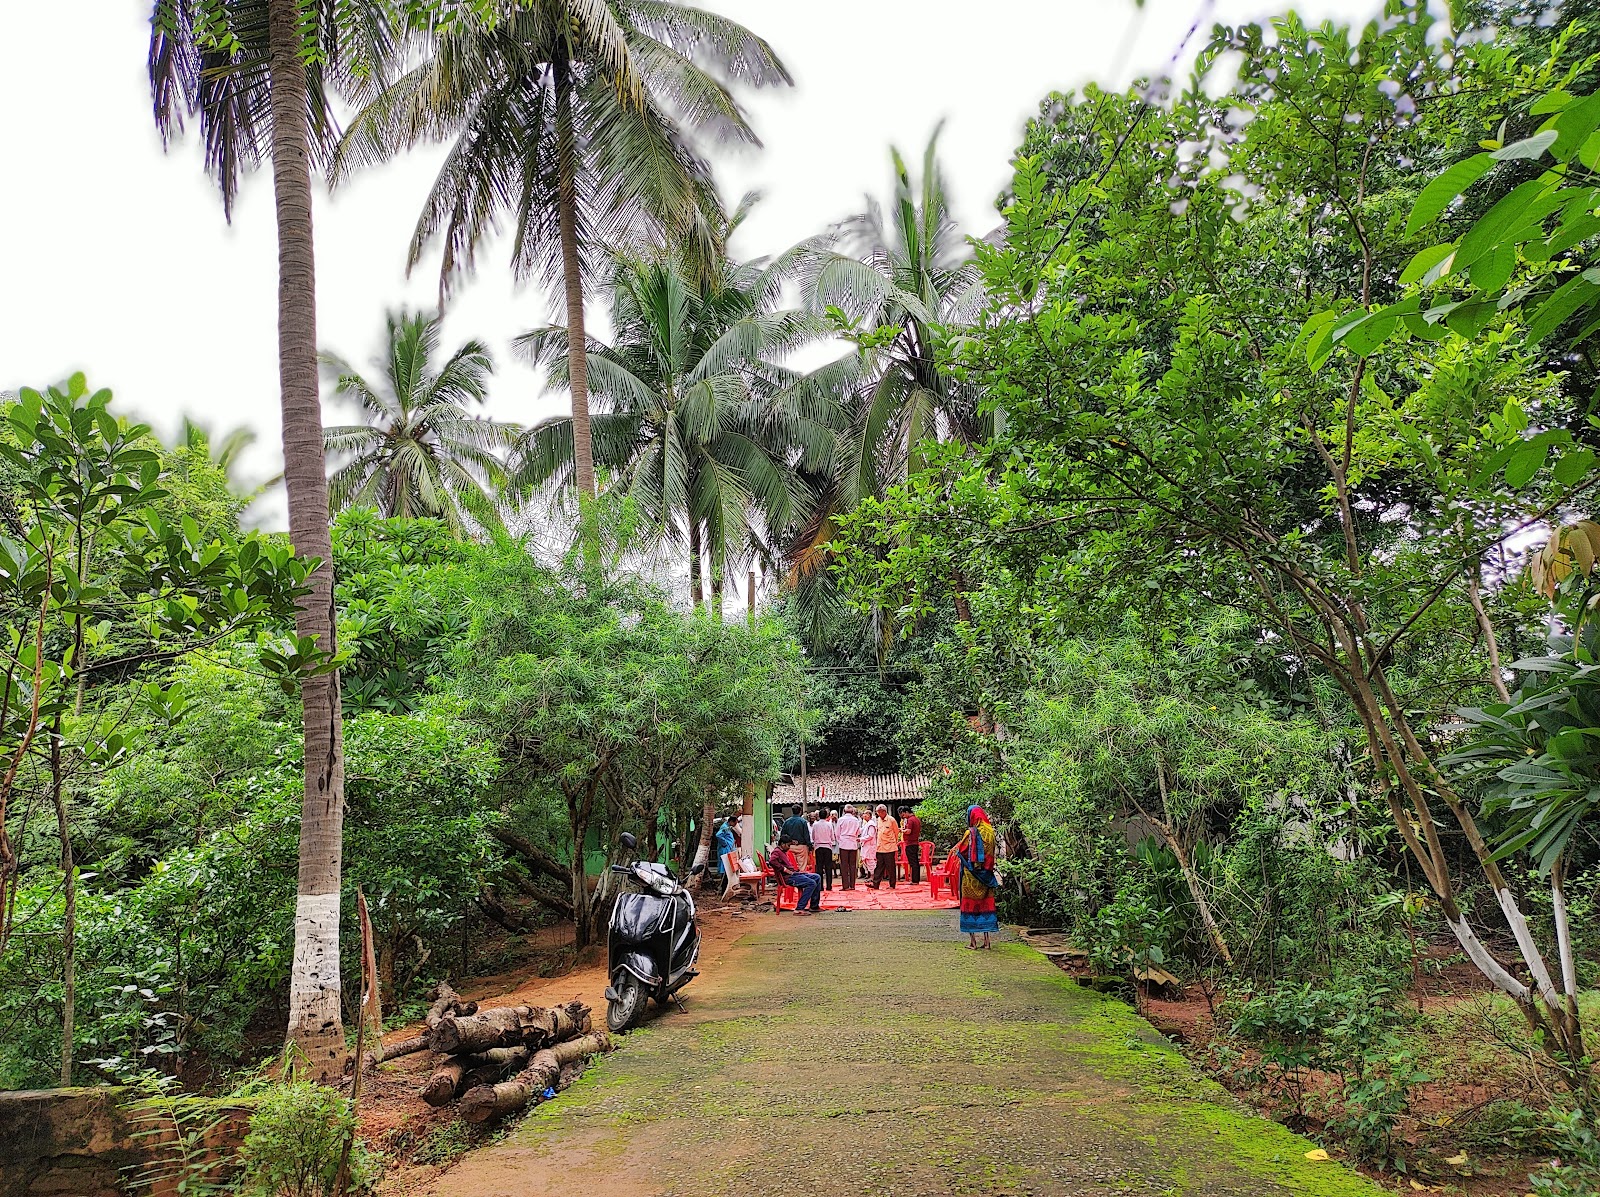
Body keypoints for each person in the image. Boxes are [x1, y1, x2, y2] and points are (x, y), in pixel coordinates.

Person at [955, 805, 1000, 949]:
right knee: (985, 905)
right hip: (986, 876)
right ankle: (987, 942)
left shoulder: (971, 833)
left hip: (971, 876)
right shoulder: (990, 832)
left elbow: (962, 851)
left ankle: (973, 942)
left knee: (970, 906)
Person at [768, 836, 821, 914]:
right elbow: (772, 861)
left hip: (794, 874)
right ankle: (799, 908)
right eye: (788, 845)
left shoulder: (782, 852)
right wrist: (784, 869)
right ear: (782, 844)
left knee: (817, 877)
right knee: (811, 883)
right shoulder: (777, 852)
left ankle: (814, 906)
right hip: (788, 878)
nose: (789, 848)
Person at [868, 804, 901, 890]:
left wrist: (892, 842)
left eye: (879, 812)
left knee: (890, 867)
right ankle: (875, 884)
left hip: (889, 847)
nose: (878, 814)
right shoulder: (878, 820)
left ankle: (892, 885)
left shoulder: (891, 820)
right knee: (879, 867)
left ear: (884, 812)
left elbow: (896, 833)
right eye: (877, 812)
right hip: (880, 847)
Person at [811, 808, 838, 890]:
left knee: (819, 867)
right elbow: (832, 837)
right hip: (827, 847)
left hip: (818, 847)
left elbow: (813, 837)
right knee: (828, 867)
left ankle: (820, 886)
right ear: (826, 815)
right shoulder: (829, 824)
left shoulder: (815, 825)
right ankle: (829, 886)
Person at [836, 805, 862, 890]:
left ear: (844, 810)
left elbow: (837, 833)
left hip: (843, 843)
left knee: (844, 865)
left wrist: (841, 840)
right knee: (852, 865)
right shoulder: (856, 820)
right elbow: (858, 832)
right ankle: (852, 885)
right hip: (853, 843)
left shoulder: (841, 820)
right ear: (852, 811)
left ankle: (845, 886)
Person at [779, 804, 812, 871]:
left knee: (791, 865)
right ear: (800, 811)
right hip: (801, 846)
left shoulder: (787, 822)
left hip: (790, 847)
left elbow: (782, 835)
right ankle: (802, 879)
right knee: (802, 866)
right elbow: (806, 835)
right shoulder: (803, 822)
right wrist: (809, 846)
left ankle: (793, 878)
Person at [900, 806, 923, 885]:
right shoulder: (916, 819)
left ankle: (914, 880)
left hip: (910, 843)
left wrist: (902, 831)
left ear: (906, 812)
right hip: (915, 843)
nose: (903, 816)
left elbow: (909, 831)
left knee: (913, 863)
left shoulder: (910, 820)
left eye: (903, 814)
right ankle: (916, 879)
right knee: (915, 862)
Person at [859, 808, 878, 880]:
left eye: (865, 814)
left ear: (869, 815)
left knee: (870, 861)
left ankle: (873, 876)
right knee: (866, 861)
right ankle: (871, 876)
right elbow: (861, 830)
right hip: (866, 846)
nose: (863, 815)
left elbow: (870, 836)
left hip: (870, 846)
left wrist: (860, 839)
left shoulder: (871, 824)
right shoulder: (867, 824)